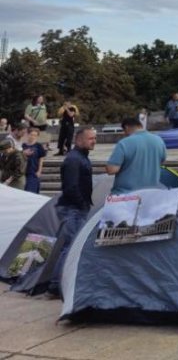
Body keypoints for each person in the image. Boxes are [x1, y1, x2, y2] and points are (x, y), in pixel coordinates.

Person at [46, 127, 96, 298]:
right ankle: (54, 286)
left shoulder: (81, 157)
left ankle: (58, 284)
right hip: (72, 209)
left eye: (94, 138)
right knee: (70, 247)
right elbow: (70, 187)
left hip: (75, 208)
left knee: (71, 246)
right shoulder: (74, 159)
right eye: (90, 138)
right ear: (79, 140)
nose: (94, 141)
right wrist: (82, 205)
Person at [104, 117, 166, 194]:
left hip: (125, 194)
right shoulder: (159, 140)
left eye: (124, 131)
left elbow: (112, 170)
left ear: (126, 127)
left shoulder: (124, 143)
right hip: (151, 193)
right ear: (140, 126)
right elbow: (161, 161)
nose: (124, 134)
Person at [22, 128, 46, 194]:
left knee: (31, 191)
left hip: (33, 171)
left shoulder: (39, 146)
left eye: (35, 135)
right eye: (31, 134)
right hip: (23, 171)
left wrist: (39, 171)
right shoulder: (23, 145)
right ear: (27, 134)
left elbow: (41, 159)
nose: (33, 137)